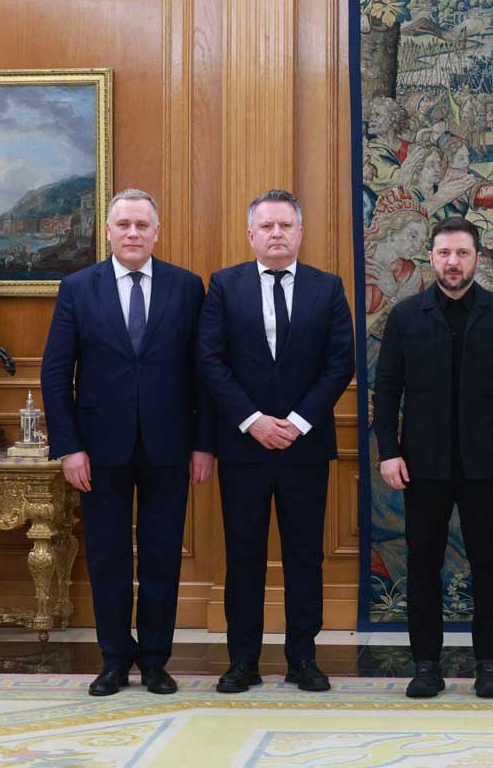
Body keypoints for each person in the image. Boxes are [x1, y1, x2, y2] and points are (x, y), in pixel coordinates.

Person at [41, 188, 215, 697]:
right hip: (98, 451)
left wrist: (204, 444)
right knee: (108, 558)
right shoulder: (78, 287)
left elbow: (204, 372)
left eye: (142, 225)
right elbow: (56, 373)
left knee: (162, 557)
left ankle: (156, 660)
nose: (133, 233)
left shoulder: (187, 287)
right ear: (109, 231)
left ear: (157, 232)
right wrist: (69, 447)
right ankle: (114, 660)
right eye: (124, 225)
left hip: (171, 446)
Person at [198, 189, 355, 693]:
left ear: (300, 232)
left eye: (285, 225)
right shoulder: (224, 286)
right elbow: (210, 361)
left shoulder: (327, 288)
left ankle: (302, 660)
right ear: (251, 234)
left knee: (304, 556)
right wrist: (252, 421)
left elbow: (340, 363)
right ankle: (242, 661)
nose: (276, 234)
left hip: (304, 448)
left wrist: (298, 422)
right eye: (267, 226)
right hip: (243, 447)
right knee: (243, 556)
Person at [372, 217, 493, 699]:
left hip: (487, 465)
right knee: (423, 565)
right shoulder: (405, 317)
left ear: (476, 258)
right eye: (444, 253)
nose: (453, 262)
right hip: (422, 465)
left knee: (488, 565)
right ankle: (426, 666)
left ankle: (489, 666)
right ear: (431, 257)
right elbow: (387, 391)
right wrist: (389, 453)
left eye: (462, 253)